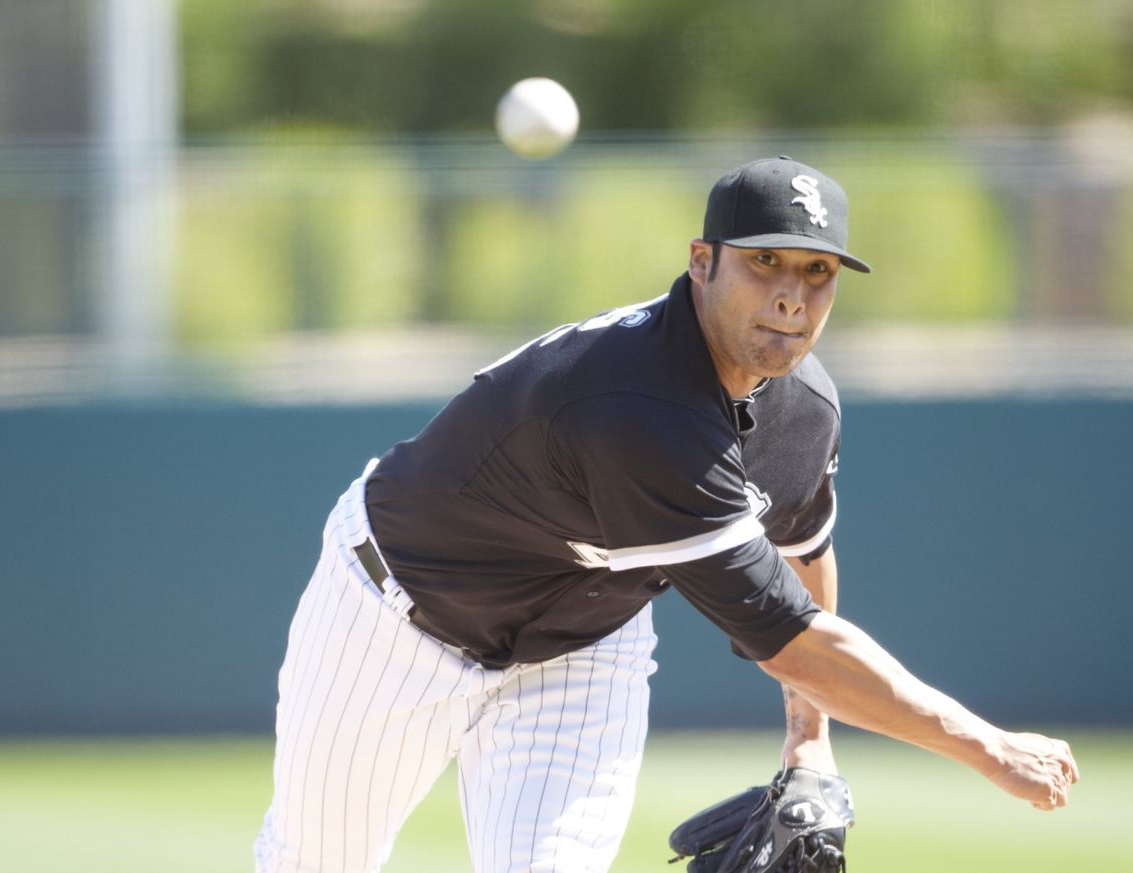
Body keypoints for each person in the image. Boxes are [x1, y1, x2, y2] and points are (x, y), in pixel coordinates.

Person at [253, 156, 1079, 873]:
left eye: (817, 272)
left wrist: (808, 740)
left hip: (583, 643)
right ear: (702, 262)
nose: (792, 297)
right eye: (766, 263)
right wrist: (988, 746)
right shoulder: (638, 402)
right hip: (397, 613)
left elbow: (803, 552)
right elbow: (791, 638)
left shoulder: (804, 409)